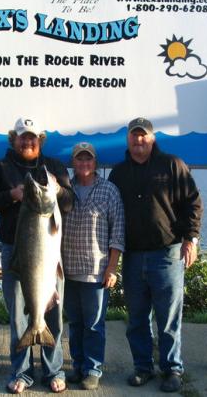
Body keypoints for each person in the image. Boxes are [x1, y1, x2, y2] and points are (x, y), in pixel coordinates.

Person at [0, 117, 73, 394]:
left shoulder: (53, 166)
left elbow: (69, 203)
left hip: (49, 255)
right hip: (13, 252)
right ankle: (21, 372)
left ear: (40, 140)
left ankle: (54, 370)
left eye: (32, 137)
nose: (27, 142)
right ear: (13, 139)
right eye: (22, 137)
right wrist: (13, 194)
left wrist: (57, 190)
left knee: (52, 313)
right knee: (19, 315)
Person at [108, 117, 203, 393]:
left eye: (143, 136)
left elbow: (193, 203)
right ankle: (143, 367)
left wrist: (191, 239)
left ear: (152, 138)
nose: (139, 141)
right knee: (136, 318)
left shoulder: (173, 164)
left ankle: (172, 369)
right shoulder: (119, 173)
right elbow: (110, 216)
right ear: (128, 139)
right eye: (134, 136)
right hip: (133, 256)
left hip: (168, 253)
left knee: (168, 317)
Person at [61, 142, 125, 390]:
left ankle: (93, 369)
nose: (84, 163)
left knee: (94, 325)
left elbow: (117, 233)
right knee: (75, 324)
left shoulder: (109, 190)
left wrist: (112, 268)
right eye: (79, 159)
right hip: (67, 270)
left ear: (95, 163)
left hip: (96, 271)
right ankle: (77, 366)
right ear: (73, 163)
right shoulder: (65, 190)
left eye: (88, 159)